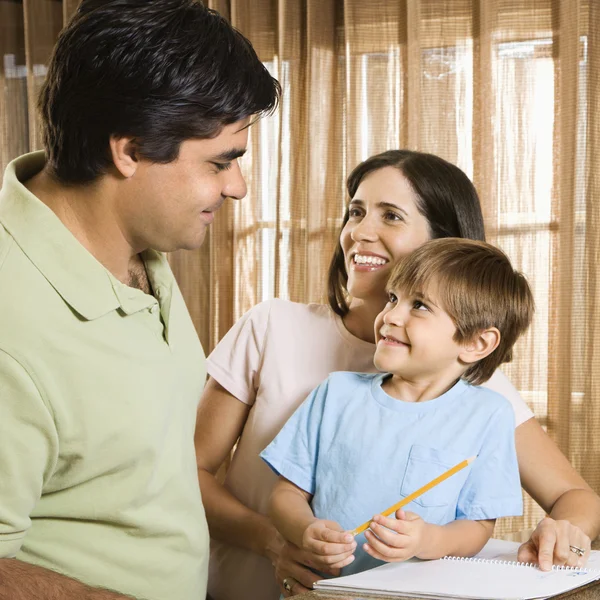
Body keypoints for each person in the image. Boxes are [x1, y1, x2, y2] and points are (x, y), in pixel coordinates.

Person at [195, 149, 600, 600]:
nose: (359, 233)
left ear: (443, 243)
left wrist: (565, 534)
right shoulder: (272, 326)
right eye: (356, 212)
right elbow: (189, 472)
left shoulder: (470, 387)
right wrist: (275, 541)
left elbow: (577, 500)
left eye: (391, 216)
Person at [0, 1, 280, 599]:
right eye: (220, 162)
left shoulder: (133, 240)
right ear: (129, 151)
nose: (237, 186)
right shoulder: (11, 325)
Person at [262, 238, 534, 576]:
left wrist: (427, 540)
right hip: (325, 593)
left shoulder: (489, 415)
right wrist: (305, 530)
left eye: (418, 305)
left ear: (476, 343)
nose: (389, 315)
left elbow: (478, 527)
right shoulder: (334, 394)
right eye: (393, 298)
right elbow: (285, 495)